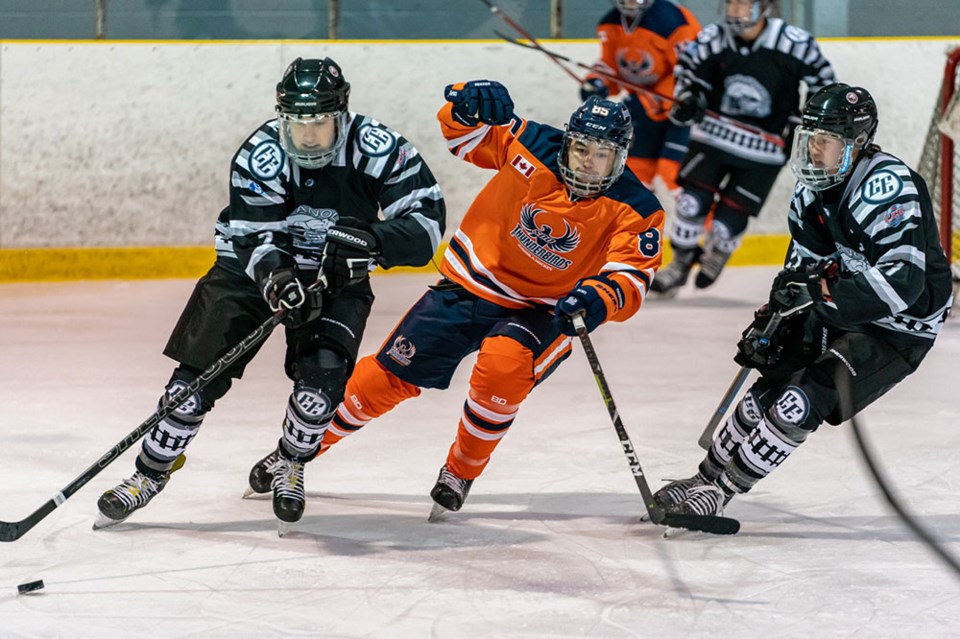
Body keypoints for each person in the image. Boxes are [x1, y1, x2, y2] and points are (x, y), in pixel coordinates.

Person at [246, 81, 666, 517]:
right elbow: (463, 139)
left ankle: (461, 470)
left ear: (621, 158)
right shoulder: (532, 143)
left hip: (545, 310)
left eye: (603, 155)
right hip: (471, 283)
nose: (589, 164)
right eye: (581, 149)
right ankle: (296, 453)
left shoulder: (637, 207)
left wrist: (597, 299)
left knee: (503, 368)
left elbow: (631, 276)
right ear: (568, 141)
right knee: (386, 376)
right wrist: (467, 108)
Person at [95, 57, 446, 531]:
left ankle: (290, 461)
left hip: (336, 277)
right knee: (189, 387)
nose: (307, 136)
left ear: (341, 115)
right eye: (297, 122)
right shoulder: (260, 152)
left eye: (319, 123)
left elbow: (426, 225)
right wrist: (278, 280)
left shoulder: (377, 147)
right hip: (249, 274)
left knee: (319, 390)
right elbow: (254, 236)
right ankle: (149, 474)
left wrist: (373, 239)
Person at [652, 83, 955, 519]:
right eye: (810, 138)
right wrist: (772, 320)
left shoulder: (889, 186)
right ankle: (705, 478)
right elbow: (801, 273)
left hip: (898, 327)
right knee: (772, 376)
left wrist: (820, 296)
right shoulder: (812, 190)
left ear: (856, 144)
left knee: (805, 394)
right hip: (843, 303)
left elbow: (901, 286)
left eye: (826, 141)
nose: (814, 150)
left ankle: (724, 491)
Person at [650, 0, 836, 295]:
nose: (735, 11)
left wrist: (805, 127)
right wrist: (690, 97)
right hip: (711, 139)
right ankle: (680, 263)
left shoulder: (795, 44)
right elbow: (688, 72)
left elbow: (823, 83)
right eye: (732, 4)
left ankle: (719, 252)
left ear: (763, 7)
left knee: (726, 224)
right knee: (689, 204)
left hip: (764, 151)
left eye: (744, 4)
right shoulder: (712, 37)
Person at [580, 0, 700, 192]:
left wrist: (655, 97)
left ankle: (704, 221)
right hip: (643, 113)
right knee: (635, 174)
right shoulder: (608, 24)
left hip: (679, 114)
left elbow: (691, 72)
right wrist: (598, 82)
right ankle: (639, 220)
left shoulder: (673, 22)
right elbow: (611, 66)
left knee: (674, 175)